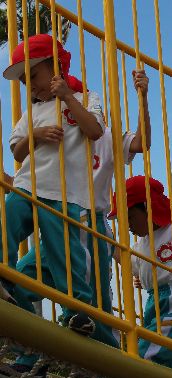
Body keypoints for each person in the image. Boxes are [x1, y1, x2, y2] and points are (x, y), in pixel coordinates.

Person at [2, 34, 104, 337]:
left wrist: (69, 97)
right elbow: (17, 151)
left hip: (65, 194)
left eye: (33, 76)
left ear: (56, 66)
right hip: (28, 185)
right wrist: (35, 135)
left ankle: (77, 312)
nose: (30, 86)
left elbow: (95, 130)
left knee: (65, 256)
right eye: (24, 82)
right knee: (7, 219)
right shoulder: (32, 112)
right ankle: (3, 274)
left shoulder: (86, 98)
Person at [108, 175, 172, 372]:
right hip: (153, 299)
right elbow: (130, 262)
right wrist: (109, 242)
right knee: (168, 358)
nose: (128, 225)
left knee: (147, 350)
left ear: (147, 207)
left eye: (130, 217)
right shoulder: (142, 244)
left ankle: (125, 375)